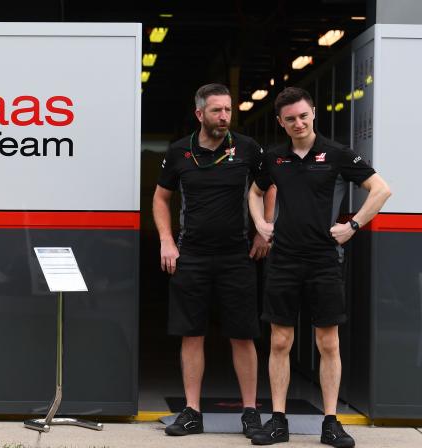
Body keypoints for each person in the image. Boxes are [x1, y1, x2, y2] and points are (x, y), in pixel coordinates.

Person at [248, 87, 391, 447]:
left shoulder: (338, 154)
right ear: (281, 122)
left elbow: (381, 190)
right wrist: (261, 225)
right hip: (283, 260)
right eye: (290, 118)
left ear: (314, 113)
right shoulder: (274, 158)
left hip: (324, 260)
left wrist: (353, 225)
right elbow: (254, 191)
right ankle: (278, 421)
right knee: (280, 341)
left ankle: (330, 422)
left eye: (303, 115)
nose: (299, 123)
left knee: (328, 342)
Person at [154, 83, 273, 438]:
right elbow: (161, 200)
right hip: (190, 255)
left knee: (243, 335)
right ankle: (191, 412)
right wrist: (166, 241)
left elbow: (270, 186)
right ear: (199, 114)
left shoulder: (248, 148)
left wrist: (263, 229)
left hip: (238, 256)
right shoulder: (178, 152)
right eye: (217, 110)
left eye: (228, 110)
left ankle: (250, 412)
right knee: (192, 334)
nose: (224, 117)